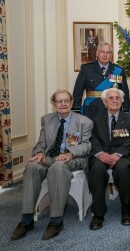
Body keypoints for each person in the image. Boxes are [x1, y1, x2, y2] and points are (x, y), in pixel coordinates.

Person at [11, 90, 93, 240]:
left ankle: (56, 220)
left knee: (58, 166)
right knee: (32, 166)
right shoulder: (47, 120)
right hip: (50, 157)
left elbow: (86, 146)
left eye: (66, 101)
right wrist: (39, 153)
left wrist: (70, 153)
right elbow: (40, 144)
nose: (63, 104)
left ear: (72, 102)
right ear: (54, 104)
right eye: (59, 101)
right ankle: (26, 219)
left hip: (73, 159)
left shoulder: (84, 121)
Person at [87, 88, 130, 230]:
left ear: (122, 101)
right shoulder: (96, 121)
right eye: (111, 98)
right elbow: (92, 140)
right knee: (96, 169)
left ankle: (126, 208)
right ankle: (98, 214)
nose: (114, 100)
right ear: (104, 102)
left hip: (123, 155)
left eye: (117, 98)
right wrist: (100, 154)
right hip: (102, 155)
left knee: (122, 169)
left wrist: (118, 154)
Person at [72, 42, 130, 119]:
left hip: (112, 109)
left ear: (111, 55)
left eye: (108, 52)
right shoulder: (86, 69)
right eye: (102, 52)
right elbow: (78, 91)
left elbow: (124, 93)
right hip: (91, 109)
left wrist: (126, 110)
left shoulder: (118, 71)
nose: (105, 55)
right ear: (97, 53)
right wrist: (76, 109)